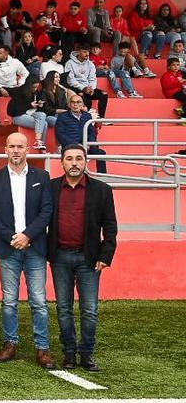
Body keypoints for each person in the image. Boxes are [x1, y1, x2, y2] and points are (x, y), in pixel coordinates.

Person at [0, 132, 54, 367]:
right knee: (9, 301)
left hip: (34, 248)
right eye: (12, 146)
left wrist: (28, 236)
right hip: (8, 248)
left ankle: (42, 348)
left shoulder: (42, 176)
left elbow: (46, 211)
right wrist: (12, 237)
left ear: (27, 150)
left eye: (20, 147)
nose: (16, 150)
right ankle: (10, 344)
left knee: (39, 301)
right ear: (5, 149)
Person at [49, 145, 117, 372]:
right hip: (59, 257)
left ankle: (87, 353)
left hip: (90, 259)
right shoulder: (50, 188)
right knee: (63, 307)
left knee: (89, 309)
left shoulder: (102, 190)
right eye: (69, 158)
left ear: (86, 161)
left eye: (79, 158)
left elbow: (110, 227)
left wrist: (106, 255)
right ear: (62, 162)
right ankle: (68, 353)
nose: (74, 163)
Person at [54, 92, 107, 174]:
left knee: (101, 153)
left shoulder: (87, 116)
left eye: (78, 102)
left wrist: (89, 143)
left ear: (82, 105)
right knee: (76, 155)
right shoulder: (62, 117)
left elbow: (92, 132)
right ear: (69, 105)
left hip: (86, 145)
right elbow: (60, 135)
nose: (75, 105)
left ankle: (103, 177)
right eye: (73, 102)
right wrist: (76, 145)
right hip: (70, 146)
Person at [0, 45, 29, 127]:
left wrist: (21, 82)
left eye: (0, 53)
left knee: (24, 91)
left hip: (13, 87)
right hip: (0, 88)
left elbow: (25, 73)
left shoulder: (15, 62)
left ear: (6, 54)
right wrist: (0, 88)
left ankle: (21, 116)